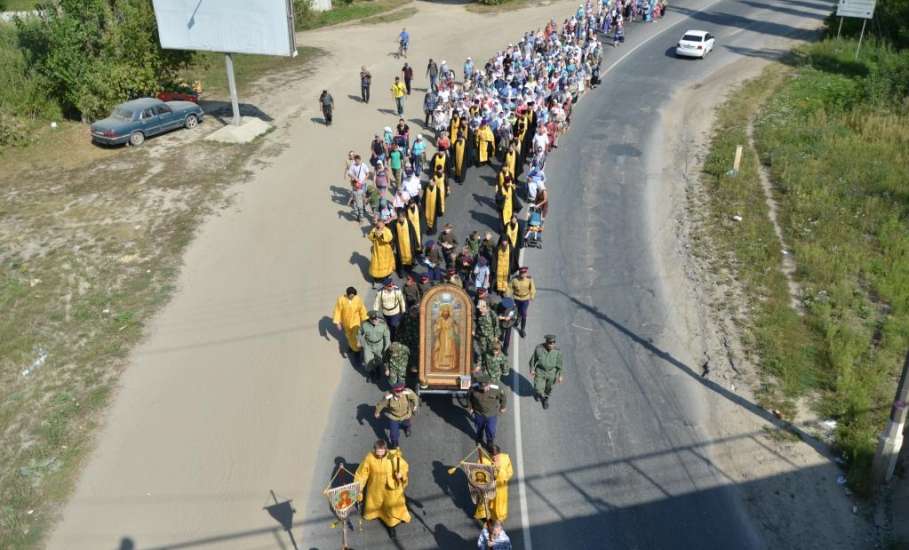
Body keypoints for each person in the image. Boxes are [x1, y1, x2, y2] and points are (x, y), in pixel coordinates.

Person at [354, 440, 411, 539]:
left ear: (385, 450)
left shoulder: (391, 456)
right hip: (375, 489)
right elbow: (362, 474)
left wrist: (400, 474)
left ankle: (391, 526)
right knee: (375, 504)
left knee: (390, 508)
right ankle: (375, 514)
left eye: (382, 453)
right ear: (374, 449)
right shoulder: (369, 457)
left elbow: (403, 466)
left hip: (390, 490)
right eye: (377, 453)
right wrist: (358, 488)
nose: (380, 456)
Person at [474, 447, 514, 524]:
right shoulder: (484, 461)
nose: (495, 458)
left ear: (500, 454)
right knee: (485, 503)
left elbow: (510, 471)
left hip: (501, 488)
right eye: (493, 456)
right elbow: (479, 473)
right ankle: (485, 516)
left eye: (496, 456)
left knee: (499, 505)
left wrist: (504, 477)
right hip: (489, 487)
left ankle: (499, 518)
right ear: (489, 454)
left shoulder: (505, 458)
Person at [467, 375, 506, 448]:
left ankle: (490, 442)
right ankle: (479, 439)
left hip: (491, 414)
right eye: (482, 388)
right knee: (479, 428)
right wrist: (470, 408)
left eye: (486, 388)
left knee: (491, 430)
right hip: (479, 413)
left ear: (489, 384)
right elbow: (469, 397)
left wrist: (503, 407)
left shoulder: (496, 388)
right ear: (479, 385)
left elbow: (503, 397)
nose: (484, 390)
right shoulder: (473, 388)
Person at [332, 287, 369, 357]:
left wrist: (365, 318)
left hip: (355, 322)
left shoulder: (357, 299)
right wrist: (337, 322)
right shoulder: (341, 300)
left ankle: (357, 349)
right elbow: (337, 311)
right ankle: (352, 347)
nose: (352, 297)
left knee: (355, 336)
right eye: (351, 296)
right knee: (348, 336)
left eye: (353, 296)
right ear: (347, 294)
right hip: (346, 323)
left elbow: (362, 309)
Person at [529, 334, 563, 409]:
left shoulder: (557, 352)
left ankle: (545, 399)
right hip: (540, 371)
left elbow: (560, 365)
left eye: (553, 343)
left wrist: (560, 375)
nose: (552, 345)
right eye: (550, 343)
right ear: (546, 342)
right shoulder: (539, 349)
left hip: (551, 373)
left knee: (548, 388)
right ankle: (539, 393)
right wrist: (532, 369)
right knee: (538, 388)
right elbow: (533, 359)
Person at [361, 310, 391, 381]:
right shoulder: (364, 325)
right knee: (367, 361)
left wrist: (386, 347)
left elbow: (387, 336)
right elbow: (359, 333)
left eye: (376, 318)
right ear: (369, 319)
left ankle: (378, 371)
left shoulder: (383, 324)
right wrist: (359, 342)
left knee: (379, 360)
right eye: (373, 319)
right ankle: (371, 374)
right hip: (369, 345)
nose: (375, 320)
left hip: (379, 345)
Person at [509, 266, 536, 338]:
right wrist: (507, 296)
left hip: (525, 299)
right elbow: (510, 288)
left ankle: (522, 329)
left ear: (526, 273)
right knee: (516, 311)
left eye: (524, 273)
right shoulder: (514, 280)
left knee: (524, 313)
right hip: (516, 298)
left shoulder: (529, 279)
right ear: (519, 273)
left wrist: (532, 296)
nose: (523, 274)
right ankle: (518, 319)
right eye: (521, 273)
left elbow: (532, 288)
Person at [391, 209, 419, 277]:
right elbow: (394, 234)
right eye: (399, 217)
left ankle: (409, 269)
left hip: (409, 244)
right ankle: (401, 272)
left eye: (402, 217)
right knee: (401, 259)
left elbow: (413, 233)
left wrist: (416, 244)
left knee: (410, 258)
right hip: (400, 245)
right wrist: (393, 244)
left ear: (404, 216)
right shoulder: (395, 223)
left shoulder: (408, 222)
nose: (400, 218)